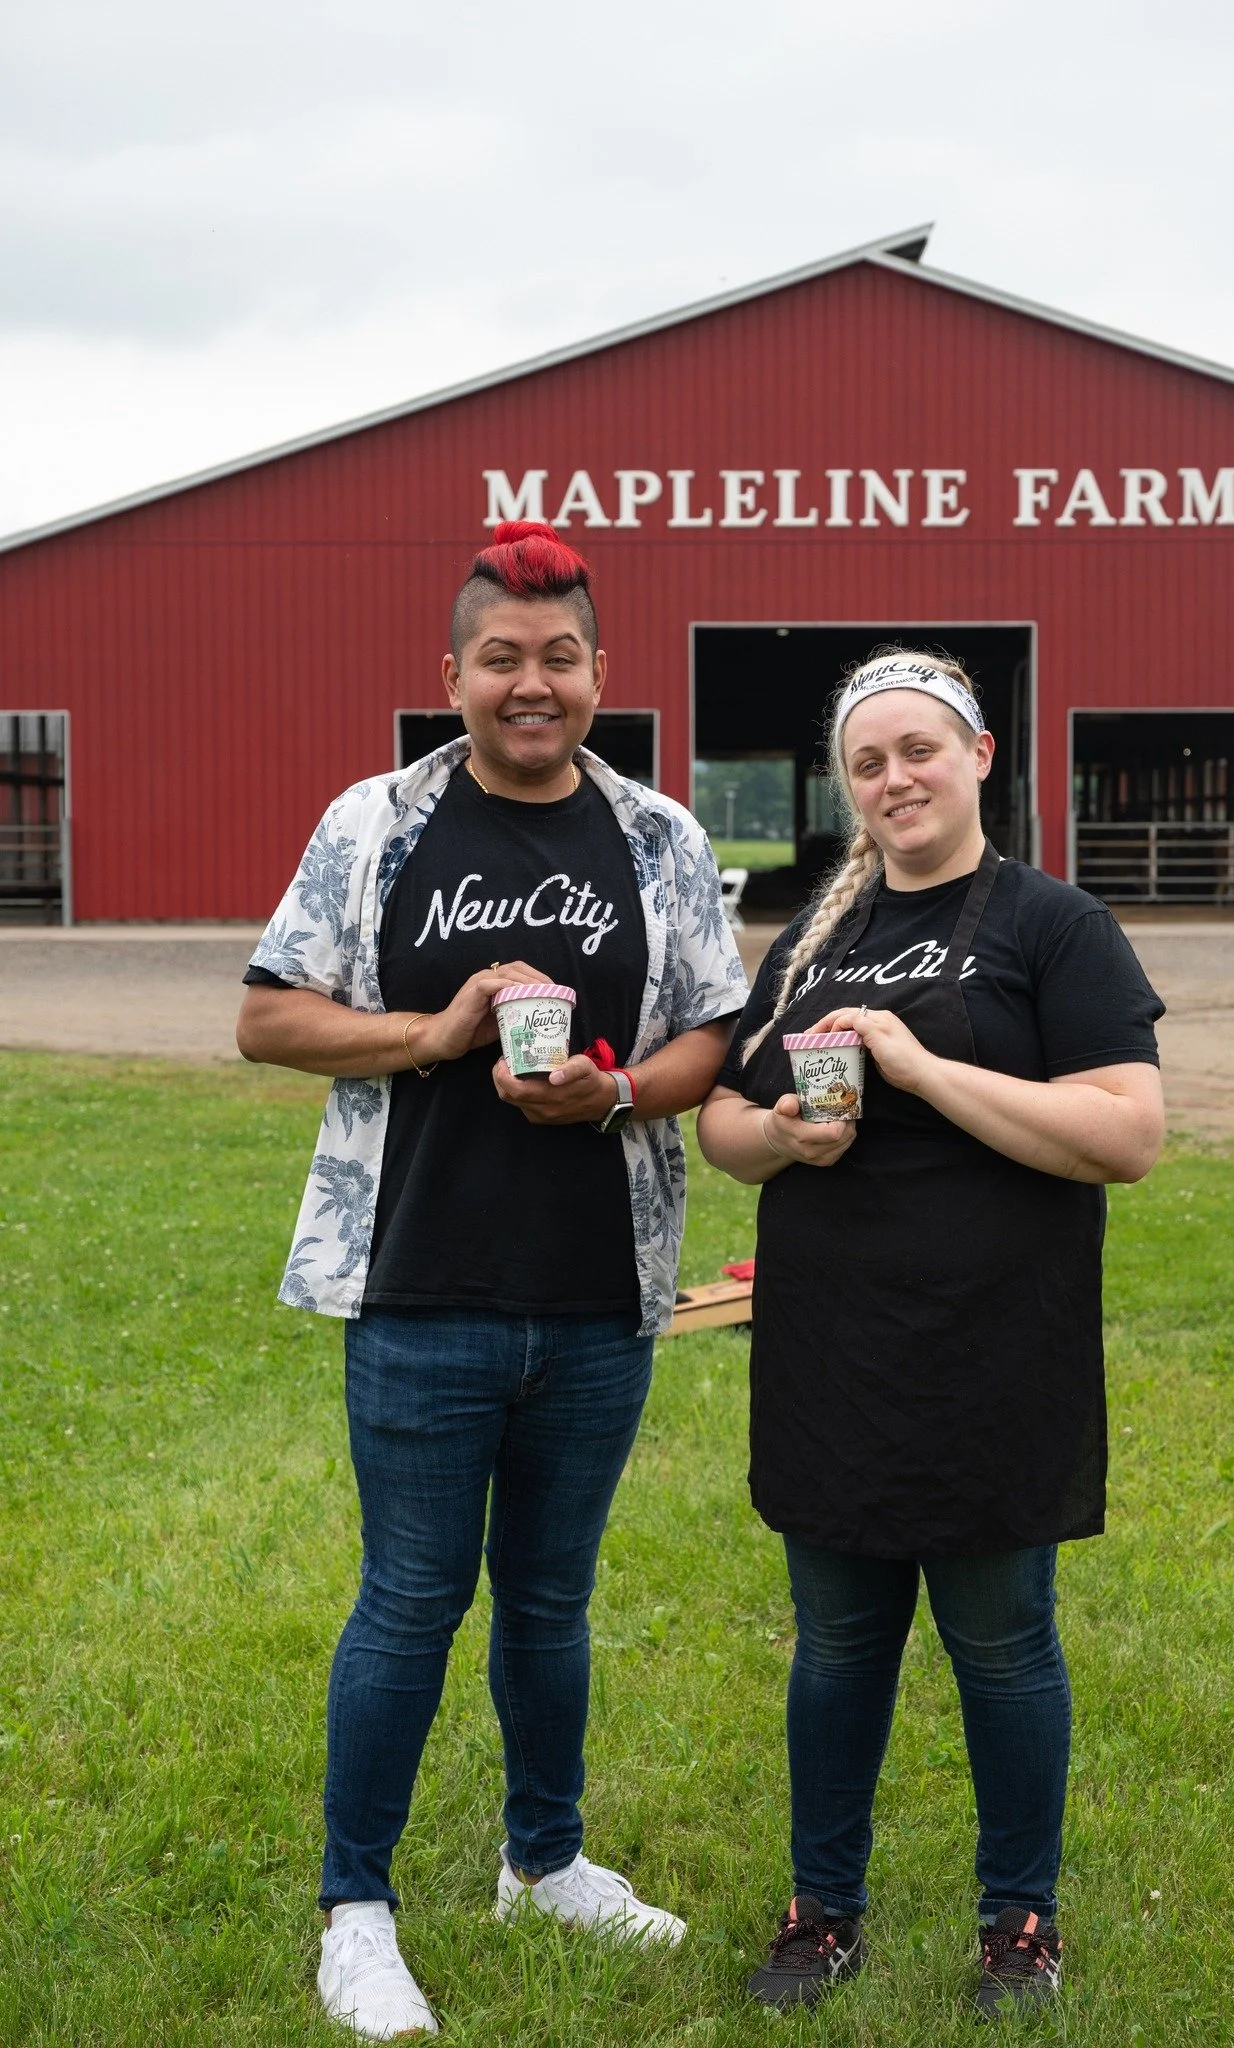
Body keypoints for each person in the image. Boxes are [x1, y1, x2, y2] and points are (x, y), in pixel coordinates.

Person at [237, 521, 746, 2040]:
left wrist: (618, 1097)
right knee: (408, 1601)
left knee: (550, 1599)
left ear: (601, 672)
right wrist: (438, 1030)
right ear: (450, 672)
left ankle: (546, 1859)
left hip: (598, 1293)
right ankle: (357, 1910)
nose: (534, 684)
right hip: (419, 1285)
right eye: (503, 659)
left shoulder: (658, 835)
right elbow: (270, 1018)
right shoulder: (375, 823)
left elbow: (714, 1032)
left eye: (562, 658)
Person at [696, 649, 1164, 2018]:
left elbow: (1126, 1137)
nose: (893, 778)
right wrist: (783, 1133)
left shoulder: (1052, 926)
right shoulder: (809, 936)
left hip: (991, 1347)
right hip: (833, 1348)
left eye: (916, 750)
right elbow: (721, 1126)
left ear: (977, 753)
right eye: (866, 762)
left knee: (1001, 1641)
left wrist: (913, 1067)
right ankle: (819, 1910)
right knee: (836, 1646)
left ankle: (1019, 1921)